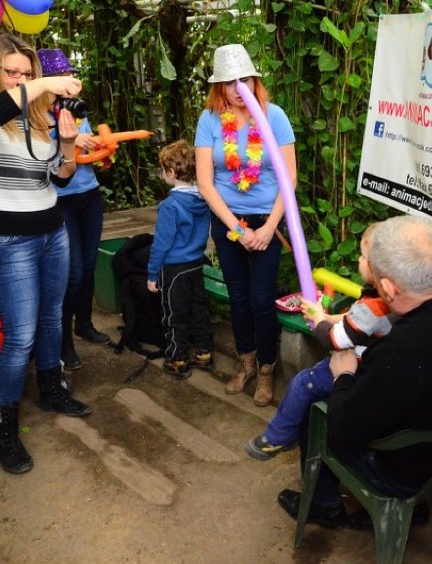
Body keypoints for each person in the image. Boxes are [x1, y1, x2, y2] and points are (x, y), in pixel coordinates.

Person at [0, 34, 93, 475]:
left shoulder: (36, 117)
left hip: (51, 229)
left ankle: (51, 389)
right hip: (8, 239)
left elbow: (60, 177)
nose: (23, 79)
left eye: (27, 73)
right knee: (19, 337)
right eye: (13, 72)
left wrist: (66, 141)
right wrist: (46, 83)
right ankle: (4, 428)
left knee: (53, 317)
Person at [276, 215, 432, 528]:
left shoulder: (401, 349)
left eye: (375, 281)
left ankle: (325, 506)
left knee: (315, 413)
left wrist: (344, 374)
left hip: (407, 471)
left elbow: (344, 429)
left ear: (389, 288)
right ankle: (413, 510)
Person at [195, 44, 297, 407]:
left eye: (245, 80)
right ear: (218, 88)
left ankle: (267, 370)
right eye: (229, 83)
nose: (238, 89)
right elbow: (206, 183)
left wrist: (270, 227)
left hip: (268, 221)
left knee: (260, 299)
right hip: (227, 220)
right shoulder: (209, 120)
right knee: (238, 297)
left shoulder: (276, 117)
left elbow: (289, 178)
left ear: (255, 82)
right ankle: (246, 362)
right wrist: (236, 229)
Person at [244, 223, 396, 460]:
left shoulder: (372, 307)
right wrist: (325, 316)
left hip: (355, 369)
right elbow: (351, 318)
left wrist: (318, 322)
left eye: (363, 256)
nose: (358, 259)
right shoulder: (388, 300)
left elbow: (334, 339)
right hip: (373, 365)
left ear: (378, 269)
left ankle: (277, 438)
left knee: (303, 382)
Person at [37, 48, 111, 373]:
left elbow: (88, 145)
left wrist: (102, 152)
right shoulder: (36, 117)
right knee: (74, 271)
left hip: (90, 194)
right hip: (61, 200)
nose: (68, 79)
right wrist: (70, 141)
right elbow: (44, 159)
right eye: (61, 75)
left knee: (91, 263)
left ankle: (85, 323)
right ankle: (64, 340)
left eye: (68, 73)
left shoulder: (76, 109)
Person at [146, 140, 214, 380]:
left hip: (174, 269)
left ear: (172, 173)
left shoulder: (170, 205)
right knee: (198, 310)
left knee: (174, 313)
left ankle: (177, 358)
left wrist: (152, 274)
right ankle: (204, 353)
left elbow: (161, 244)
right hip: (196, 263)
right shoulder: (204, 200)